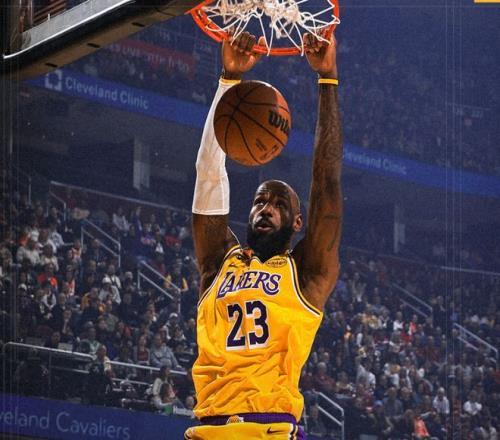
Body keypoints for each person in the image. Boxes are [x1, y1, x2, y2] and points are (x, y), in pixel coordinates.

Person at [185, 30, 342, 440]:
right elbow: (208, 174)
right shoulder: (218, 262)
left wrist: (327, 79)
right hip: (209, 428)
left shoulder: (306, 273)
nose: (266, 208)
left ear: (297, 222)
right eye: (259, 201)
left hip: (269, 427)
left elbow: (327, 185)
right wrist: (228, 82)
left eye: (278, 204)